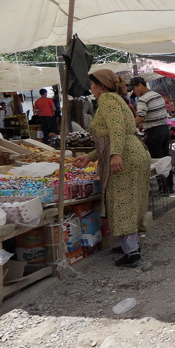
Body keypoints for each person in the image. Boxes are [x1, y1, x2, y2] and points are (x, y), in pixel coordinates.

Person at [74, 69, 151, 268]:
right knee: (129, 200)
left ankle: (132, 252)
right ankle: (129, 244)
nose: (91, 89)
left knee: (123, 202)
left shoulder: (107, 100)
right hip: (132, 151)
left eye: (92, 85)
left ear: (101, 85)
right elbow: (109, 138)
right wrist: (89, 157)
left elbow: (116, 130)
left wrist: (116, 154)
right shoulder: (116, 100)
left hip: (126, 154)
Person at [131, 76, 173, 194]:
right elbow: (156, 114)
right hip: (164, 130)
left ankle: (163, 188)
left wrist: (128, 127)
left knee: (157, 161)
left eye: (134, 89)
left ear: (140, 85)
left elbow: (141, 116)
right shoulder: (157, 95)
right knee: (165, 158)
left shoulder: (143, 99)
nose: (133, 92)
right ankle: (170, 186)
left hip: (154, 133)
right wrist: (145, 123)